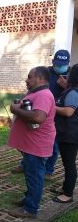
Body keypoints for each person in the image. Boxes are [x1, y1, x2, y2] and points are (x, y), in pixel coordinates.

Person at [11, 50, 69, 178]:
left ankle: (47, 170)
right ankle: (27, 164)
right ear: (53, 61)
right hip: (42, 109)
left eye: (63, 64)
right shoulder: (45, 72)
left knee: (52, 145)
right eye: (58, 63)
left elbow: (38, 117)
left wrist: (66, 87)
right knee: (32, 147)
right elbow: (32, 91)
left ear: (68, 63)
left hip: (55, 112)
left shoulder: (70, 75)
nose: (60, 66)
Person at [8, 66, 56, 219]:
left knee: (35, 176)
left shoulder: (43, 95)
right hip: (31, 144)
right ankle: (29, 200)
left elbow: (38, 118)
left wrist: (16, 110)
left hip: (37, 145)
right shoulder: (36, 93)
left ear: (40, 79)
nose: (26, 80)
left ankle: (30, 209)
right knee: (31, 175)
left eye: (30, 77)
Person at [51, 64, 78, 203]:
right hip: (69, 133)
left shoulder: (73, 92)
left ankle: (67, 194)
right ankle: (65, 187)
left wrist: (51, 106)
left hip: (70, 135)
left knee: (69, 164)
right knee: (68, 163)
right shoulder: (72, 90)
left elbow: (68, 112)